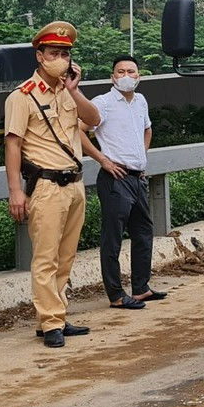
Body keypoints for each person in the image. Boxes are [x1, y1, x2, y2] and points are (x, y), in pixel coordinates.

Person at [4, 22, 104, 348]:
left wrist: (75, 89)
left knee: (66, 257)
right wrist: (15, 191)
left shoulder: (68, 92)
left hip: (74, 185)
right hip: (46, 186)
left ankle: (55, 315)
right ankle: (50, 323)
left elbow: (94, 120)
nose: (60, 58)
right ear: (40, 55)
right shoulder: (22, 97)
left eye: (65, 53)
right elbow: (13, 145)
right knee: (45, 258)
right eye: (54, 53)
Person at [85, 55, 163, 311]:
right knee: (113, 238)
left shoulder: (140, 101)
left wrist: (141, 155)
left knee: (143, 234)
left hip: (137, 177)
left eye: (131, 71)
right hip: (114, 179)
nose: (126, 75)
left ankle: (141, 288)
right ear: (112, 76)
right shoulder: (103, 103)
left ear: (139, 76)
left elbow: (147, 129)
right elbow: (78, 130)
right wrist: (103, 160)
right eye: (121, 71)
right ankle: (116, 294)